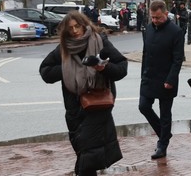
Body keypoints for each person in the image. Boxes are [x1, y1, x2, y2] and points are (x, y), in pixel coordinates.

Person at [39, 11, 128, 176]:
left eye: (77, 26)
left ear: (84, 24)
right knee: (84, 154)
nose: (74, 31)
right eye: (70, 28)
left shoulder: (99, 41)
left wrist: (104, 67)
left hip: (98, 106)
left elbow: (122, 68)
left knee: (87, 159)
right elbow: (45, 72)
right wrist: (67, 69)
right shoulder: (64, 48)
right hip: (74, 109)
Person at [139, 0, 185, 159]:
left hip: (166, 78)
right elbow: (145, 53)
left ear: (166, 14)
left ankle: (162, 145)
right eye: (152, 18)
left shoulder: (176, 31)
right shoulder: (149, 29)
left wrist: (170, 79)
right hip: (149, 76)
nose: (155, 21)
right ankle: (164, 133)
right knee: (143, 106)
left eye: (158, 17)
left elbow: (178, 59)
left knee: (165, 113)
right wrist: (142, 74)